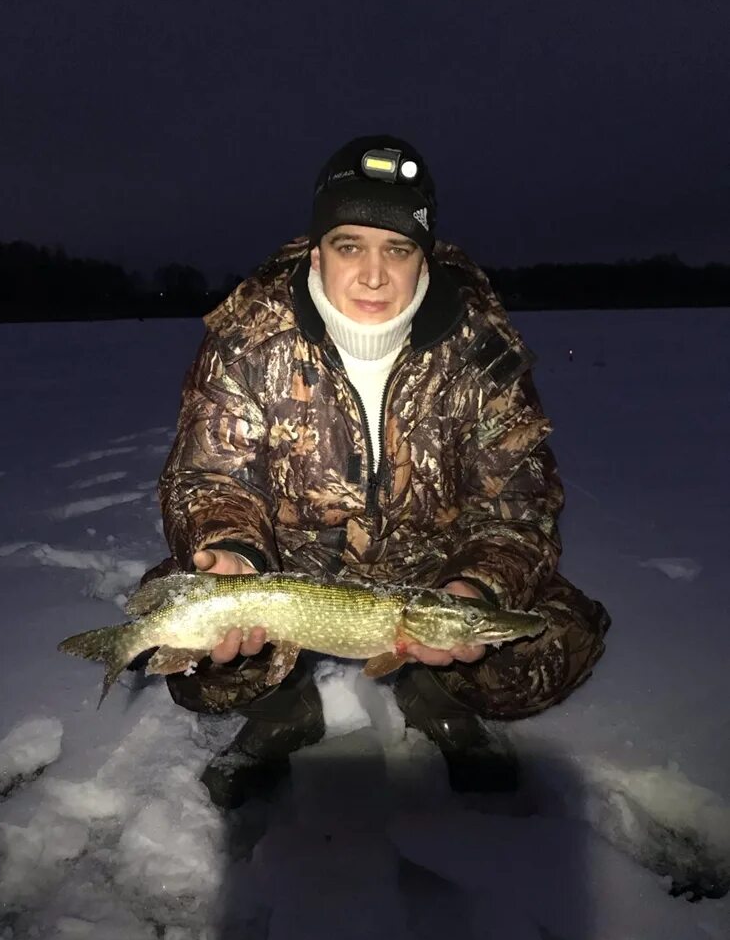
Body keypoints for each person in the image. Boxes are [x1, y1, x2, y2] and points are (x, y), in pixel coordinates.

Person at [142, 135, 611, 808]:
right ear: (317, 251)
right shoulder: (248, 338)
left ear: (424, 258)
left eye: (398, 249)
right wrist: (233, 553)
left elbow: (521, 501)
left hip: (432, 583)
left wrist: (475, 587)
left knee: (552, 641)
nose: (372, 274)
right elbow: (209, 477)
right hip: (285, 578)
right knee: (191, 637)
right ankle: (285, 711)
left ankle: (433, 688)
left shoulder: (480, 349)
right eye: (350, 245)